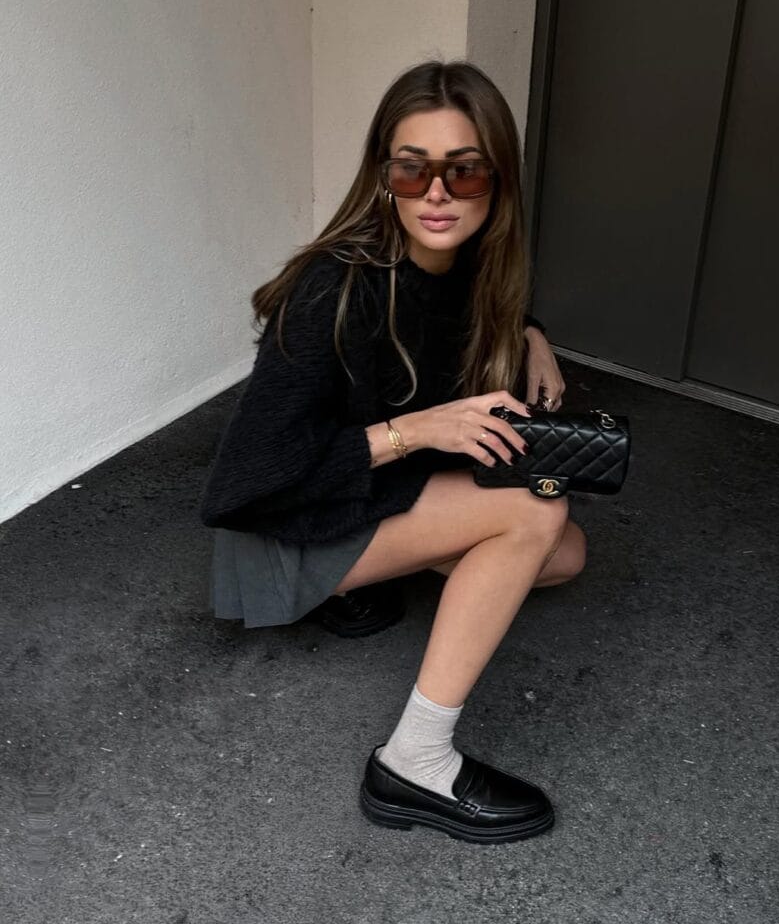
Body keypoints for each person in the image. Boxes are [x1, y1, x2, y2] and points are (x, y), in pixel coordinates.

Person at [199, 61, 587, 844]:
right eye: (413, 170)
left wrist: (529, 334)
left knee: (563, 553)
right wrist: (419, 430)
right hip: (277, 534)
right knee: (530, 511)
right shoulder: (333, 289)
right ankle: (413, 762)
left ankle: (369, 578)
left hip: (366, 489)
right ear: (385, 177)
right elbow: (240, 487)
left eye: (463, 168)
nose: (436, 193)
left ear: (496, 181)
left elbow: (456, 311)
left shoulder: (472, 266)